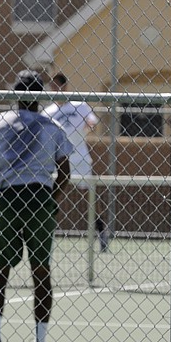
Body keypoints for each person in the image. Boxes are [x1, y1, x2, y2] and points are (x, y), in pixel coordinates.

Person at [0, 70, 72, 342]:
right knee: (40, 271)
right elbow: (64, 169)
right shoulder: (52, 126)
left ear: (16, 94)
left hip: (6, 199)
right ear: (39, 96)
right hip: (39, 197)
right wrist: (51, 200)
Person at [41, 72, 109, 252]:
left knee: (90, 197)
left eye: (58, 86)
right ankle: (42, 231)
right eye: (52, 86)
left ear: (65, 86)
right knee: (49, 194)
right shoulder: (48, 112)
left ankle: (102, 232)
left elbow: (92, 123)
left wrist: (89, 126)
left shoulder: (80, 106)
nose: (55, 89)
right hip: (56, 160)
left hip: (80, 158)